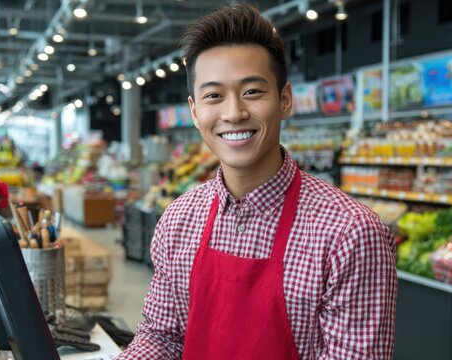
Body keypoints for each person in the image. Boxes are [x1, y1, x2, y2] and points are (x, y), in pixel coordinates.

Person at [116, 4, 397, 359]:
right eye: (213, 96)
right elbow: (161, 338)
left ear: (284, 100)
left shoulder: (350, 234)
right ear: (194, 111)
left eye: (252, 91)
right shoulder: (178, 220)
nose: (233, 113)